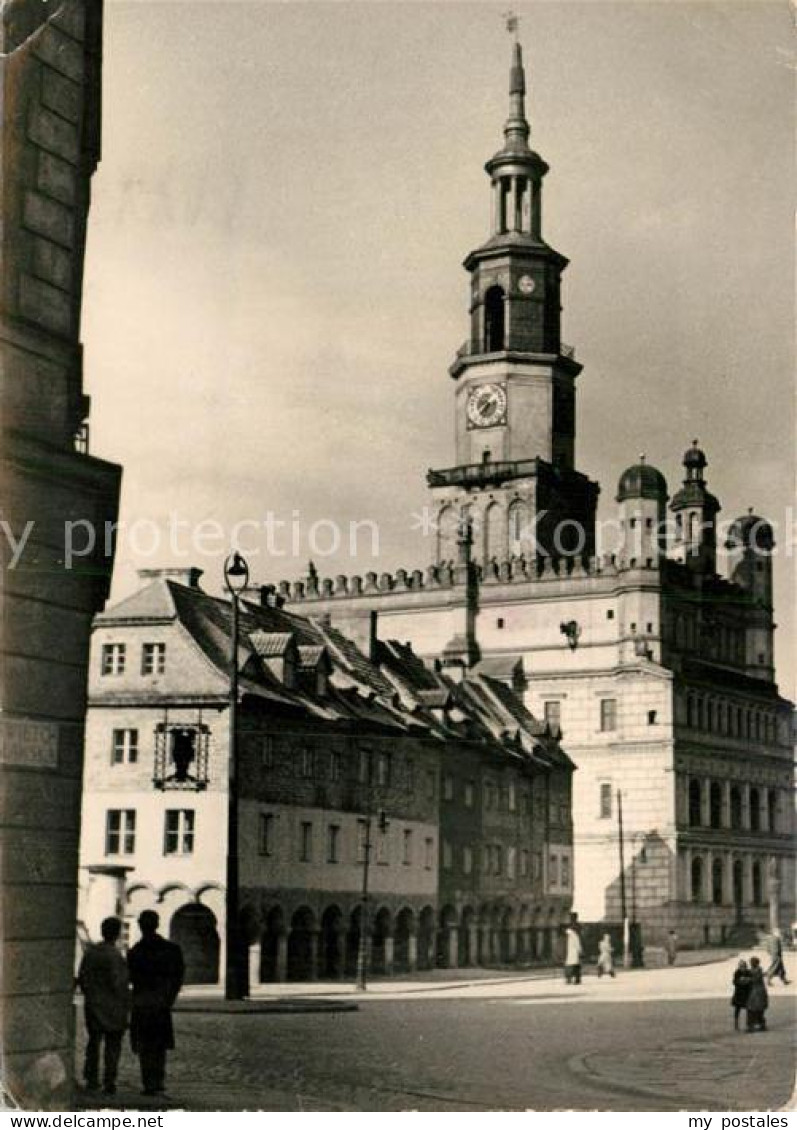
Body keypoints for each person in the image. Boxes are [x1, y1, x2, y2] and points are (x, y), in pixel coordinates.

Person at [128, 910, 185, 1097]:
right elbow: (178, 976)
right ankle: (158, 1081)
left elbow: (129, 978)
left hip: (143, 1003)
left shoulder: (135, 952)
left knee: (145, 1046)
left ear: (140, 926)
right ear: (157, 924)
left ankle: (149, 1083)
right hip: (161, 1004)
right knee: (159, 1045)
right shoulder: (171, 950)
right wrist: (170, 998)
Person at [76, 916, 130, 1095]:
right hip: (114, 1007)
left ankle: (91, 1079)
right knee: (113, 1046)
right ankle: (109, 1080)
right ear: (116, 934)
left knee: (93, 1043)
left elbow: (82, 978)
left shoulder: (90, 953)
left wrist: (91, 995)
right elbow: (119, 984)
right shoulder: (115, 956)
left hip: (93, 1005)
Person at [745, 956, 768, 1031]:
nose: (751, 964)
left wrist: (747, 979)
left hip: (756, 992)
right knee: (756, 1009)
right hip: (757, 992)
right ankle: (758, 1024)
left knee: (754, 1009)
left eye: (752, 962)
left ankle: (754, 1025)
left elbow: (755, 979)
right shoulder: (756, 970)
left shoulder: (757, 970)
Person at [730, 958, 751, 1031]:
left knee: (749, 1009)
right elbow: (734, 982)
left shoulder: (748, 972)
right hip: (739, 994)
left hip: (746, 993)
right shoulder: (737, 972)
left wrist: (746, 980)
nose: (743, 968)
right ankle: (736, 1024)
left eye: (744, 966)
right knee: (737, 1009)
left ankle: (748, 1024)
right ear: (739, 966)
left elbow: (751, 981)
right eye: (741, 966)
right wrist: (741, 981)